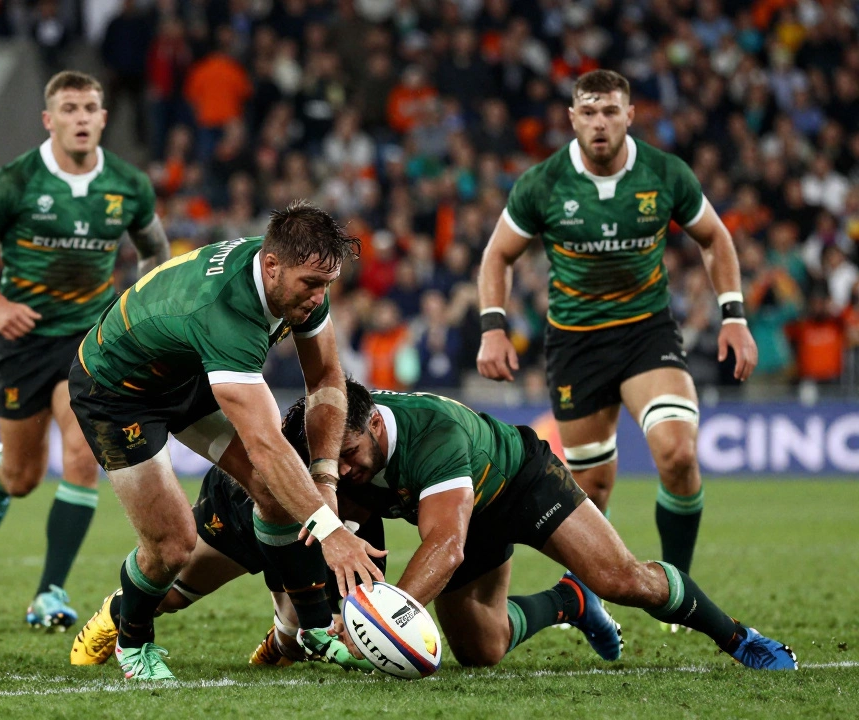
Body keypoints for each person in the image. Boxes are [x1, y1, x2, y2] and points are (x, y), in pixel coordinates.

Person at [79, 381, 798, 672]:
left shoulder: (434, 439)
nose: (344, 468)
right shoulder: (337, 459)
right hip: (438, 521)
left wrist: (384, 617)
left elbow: (445, 543)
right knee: (481, 651)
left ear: (375, 428)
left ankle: (739, 637)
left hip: (513, 486)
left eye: (351, 455)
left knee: (625, 577)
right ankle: (566, 605)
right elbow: (340, 554)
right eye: (332, 459)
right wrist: (310, 624)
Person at [476, 70, 758, 629]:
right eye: (588, 111)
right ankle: (584, 600)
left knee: (678, 453)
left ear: (631, 115)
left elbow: (715, 238)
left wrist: (734, 315)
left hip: (645, 333)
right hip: (576, 346)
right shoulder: (544, 183)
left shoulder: (664, 173)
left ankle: (678, 589)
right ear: (572, 119)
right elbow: (497, 255)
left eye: (610, 111)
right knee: (592, 487)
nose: (599, 122)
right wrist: (493, 327)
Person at [68, 202, 385, 680]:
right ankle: (131, 642)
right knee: (173, 544)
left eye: (327, 285)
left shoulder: (291, 282)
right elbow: (266, 444)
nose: (319, 299)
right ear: (272, 266)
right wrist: (331, 532)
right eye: (312, 285)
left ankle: (314, 630)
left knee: (277, 493)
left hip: (186, 369)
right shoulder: (227, 312)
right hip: (118, 392)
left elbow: (326, 379)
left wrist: (324, 479)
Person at [0, 70, 170, 630]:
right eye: (69, 109)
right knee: (24, 476)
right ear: (49, 120)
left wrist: (138, 310)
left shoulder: (127, 184)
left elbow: (154, 250)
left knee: (82, 457)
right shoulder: (14, 180)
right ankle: (0, 479)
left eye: (91, 108)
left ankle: (49, 590)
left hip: (88, 339)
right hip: (21, 338)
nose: (82, 119)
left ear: (103, 118)